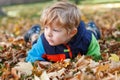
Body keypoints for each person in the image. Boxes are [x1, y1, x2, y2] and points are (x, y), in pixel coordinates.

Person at [24, 1, 102, 63]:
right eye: (46, 27)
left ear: (72, 33)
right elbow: (31, 57)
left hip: (82, 35)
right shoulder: (43, 43)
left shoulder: (86, 39)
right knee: (36, 41)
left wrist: (91, 60)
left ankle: (92, 28)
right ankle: (33, 33)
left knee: (93, 34)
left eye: (55, 30)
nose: (48, 33)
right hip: (41, 43)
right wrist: (41, 63)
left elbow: (94, 53)